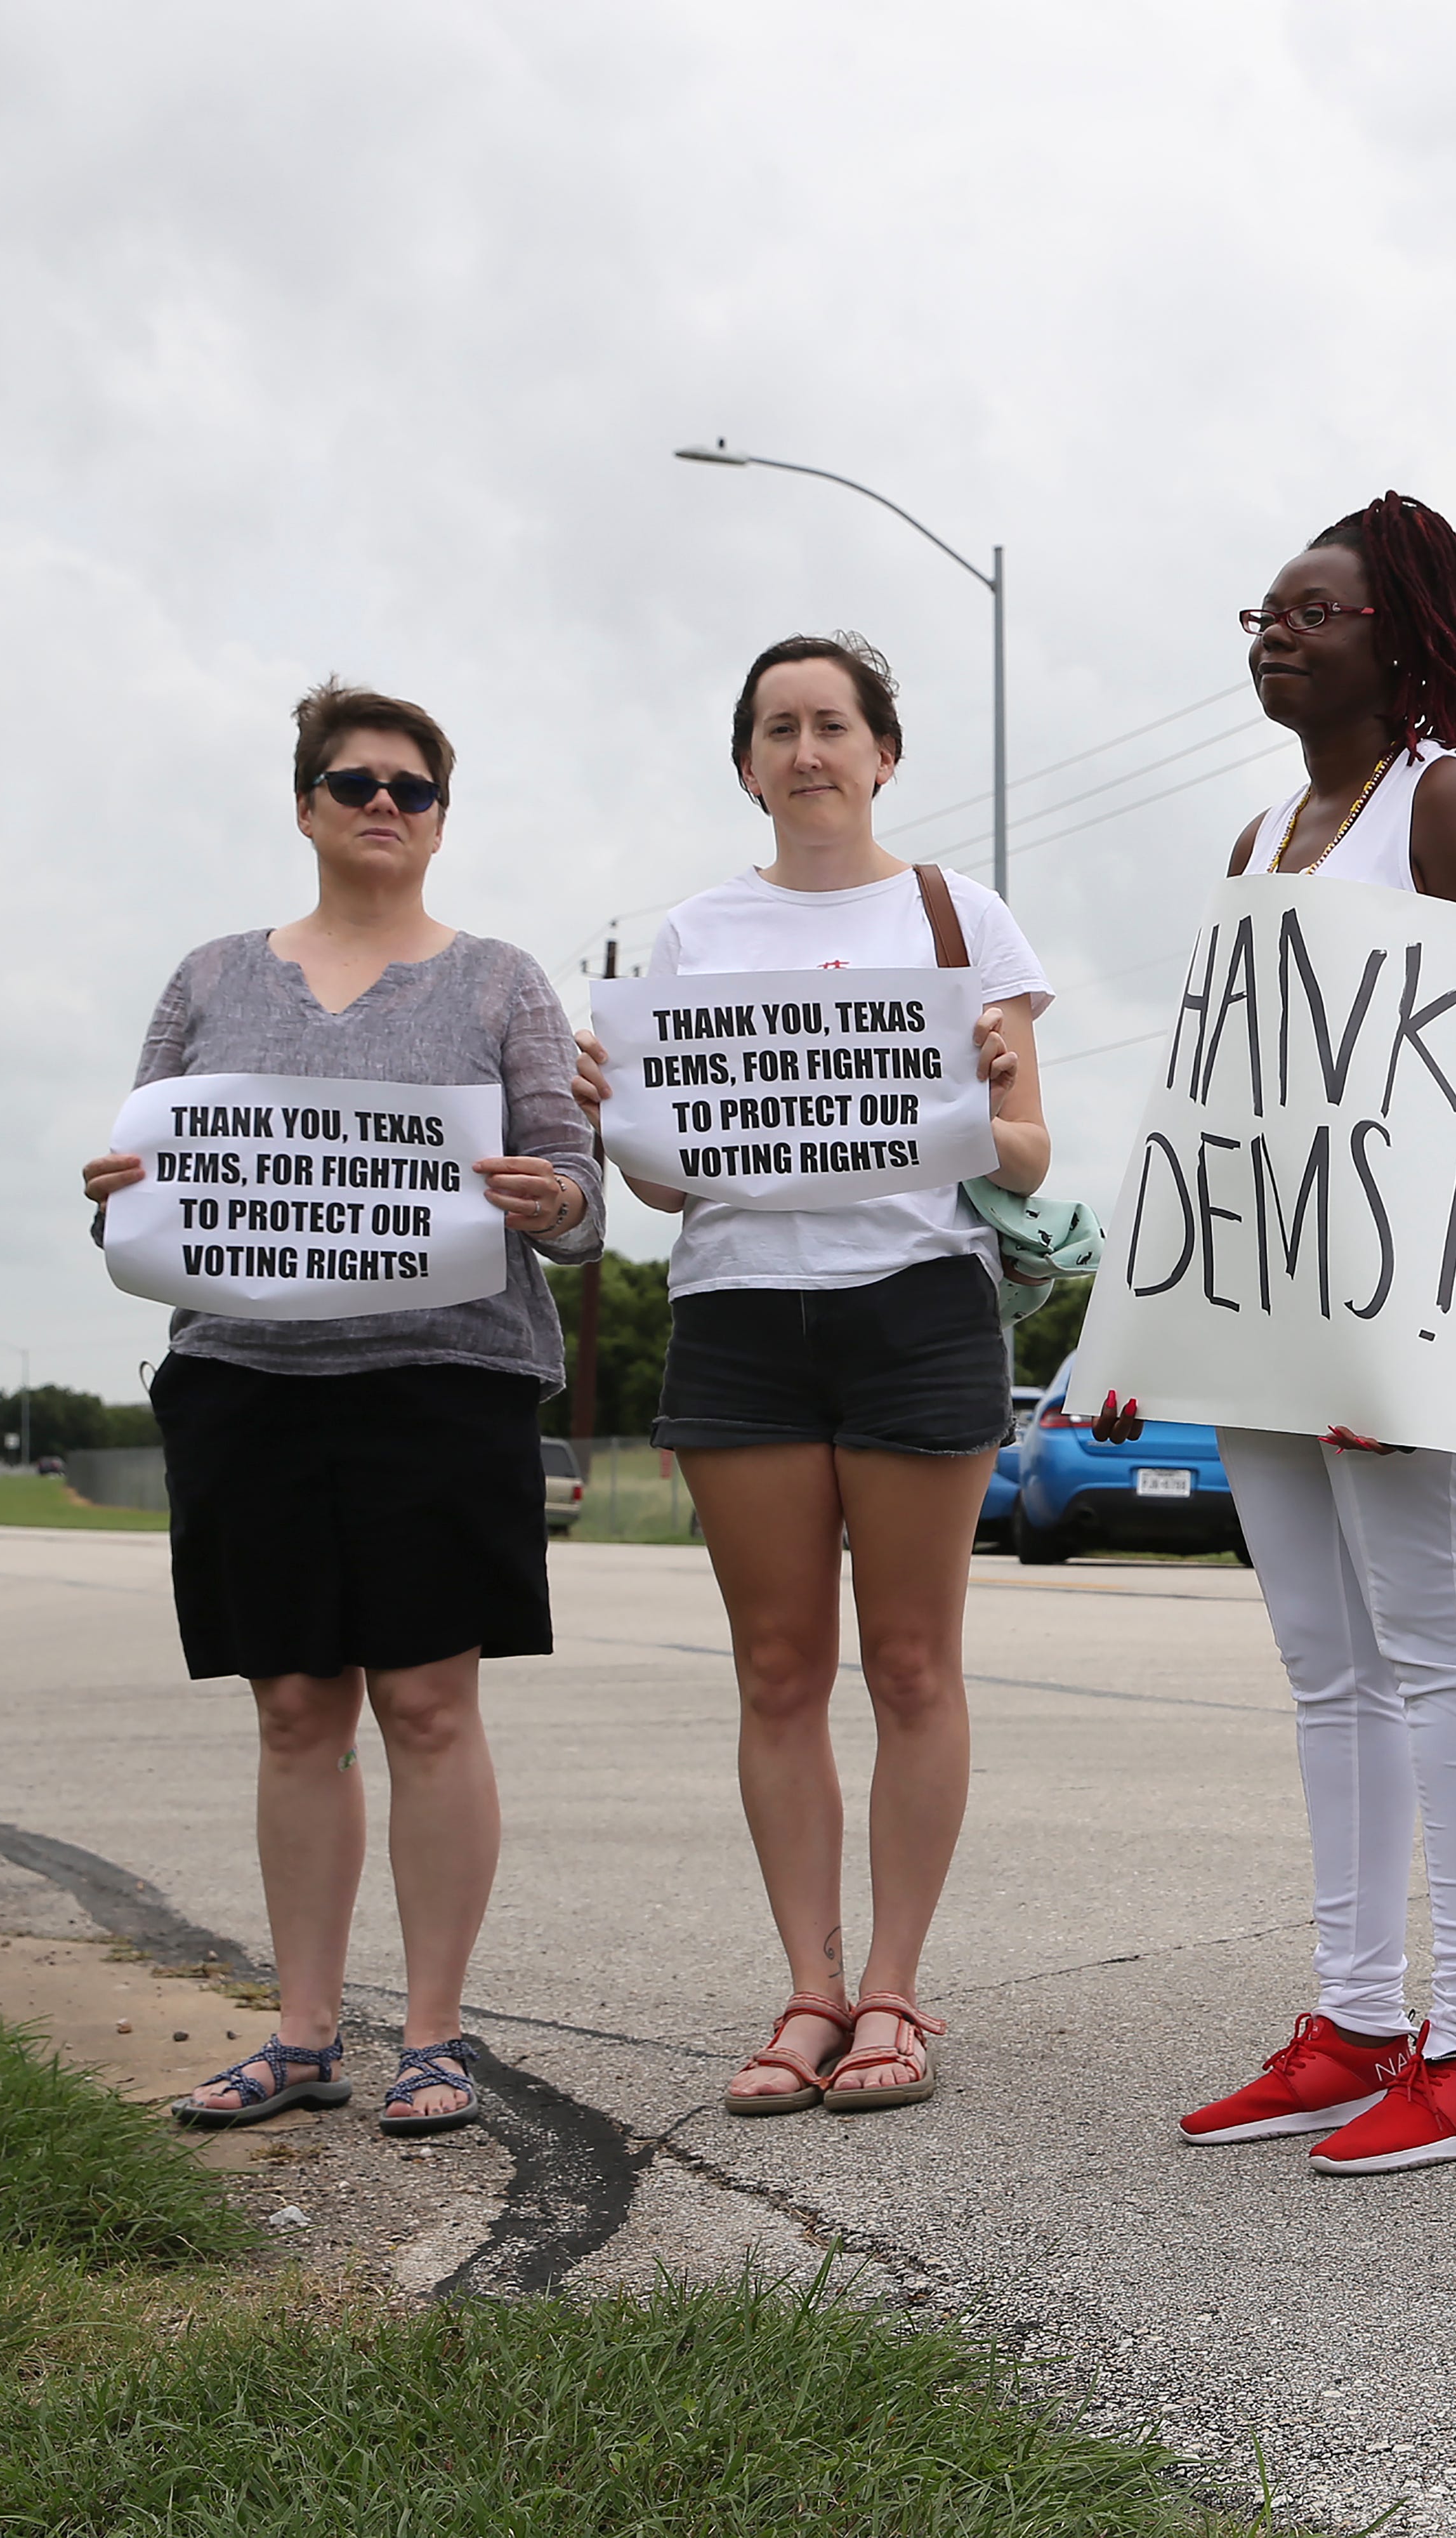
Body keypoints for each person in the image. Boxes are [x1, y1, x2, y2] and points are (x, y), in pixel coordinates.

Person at [1099, 495, 1456, 2176]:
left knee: (1438, 1648)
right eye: (1263, 612)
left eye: (1312, 611)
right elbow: (1219, 1109)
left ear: (1398, 634)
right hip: (1271, 1295)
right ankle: (1362, 2022)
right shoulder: (1262, 836)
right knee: (1329, 1668)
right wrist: (1159, 1320)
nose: (1273, 634)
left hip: (1406, 1297)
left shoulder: (1450, 809)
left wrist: (1408, 1333)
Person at [85, 680, 604, 2138]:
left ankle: (433, 2035)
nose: (384, 804)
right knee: (295, 1707)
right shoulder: (207, 979)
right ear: (305, 803)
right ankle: (302, 2033)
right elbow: (157, 1183)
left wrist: (547, 1189)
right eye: (353, 781)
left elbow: (580, 1212)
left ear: (443, 819)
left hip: (445, 1382)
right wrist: (116, 1203)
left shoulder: (502, 982)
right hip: (248, 1384)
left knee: (430, 1704)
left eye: (412, 788)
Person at [590, 633, 1049, 2121]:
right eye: (778, 729)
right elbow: (667, 1186)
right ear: (746, 764)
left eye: (833, 724)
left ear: (883, 753)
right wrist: (614, 1115)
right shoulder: (692, 937)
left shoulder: (958, 914)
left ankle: (897, 1994)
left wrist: (990, 1078)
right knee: (779, 1670)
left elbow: (1034, 1154)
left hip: (915, 1306)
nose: (808, 750)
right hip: (739, 1316)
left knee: (913, 1664)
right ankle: (809, 1987)